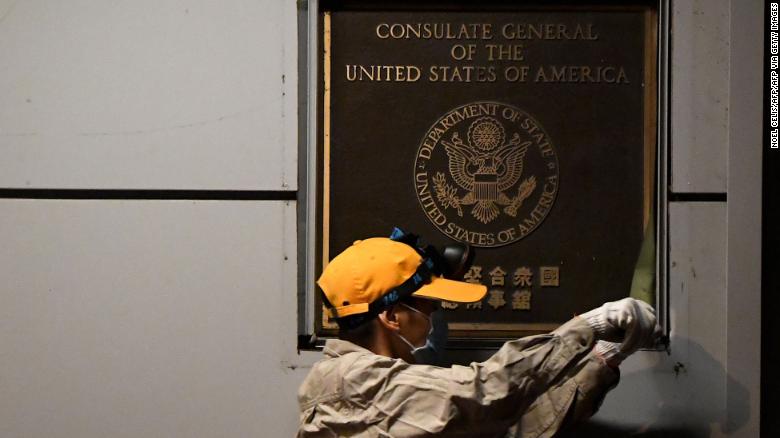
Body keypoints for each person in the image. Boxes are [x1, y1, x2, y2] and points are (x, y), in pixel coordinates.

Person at [297, 233, 661, 437]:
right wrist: (587, 327)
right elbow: (483, 390)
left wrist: (602, 361)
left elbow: (512, 431)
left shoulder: (388, 393)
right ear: (392, 316)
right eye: (429, 308)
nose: (436, 318)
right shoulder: (349, 380)